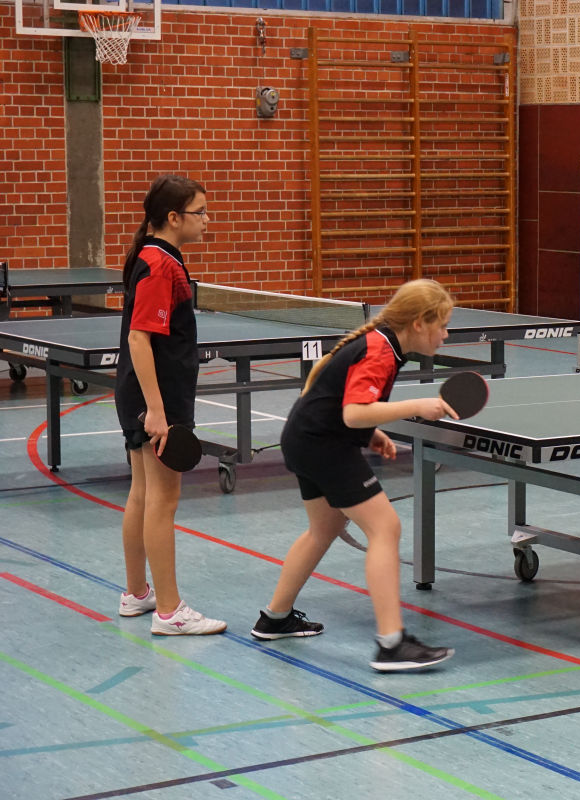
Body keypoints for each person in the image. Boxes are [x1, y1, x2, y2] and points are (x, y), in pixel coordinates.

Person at [251, 279, 458, 672]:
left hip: (303, 438)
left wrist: (371, 433)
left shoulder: (383, 344)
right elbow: (353, 412)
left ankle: (275, 618)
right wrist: (415, 406)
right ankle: (392, 643)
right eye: (442, 325)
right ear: (418, 323)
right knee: (386, 528)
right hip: (322, 445)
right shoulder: (380, 349)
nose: (446, 334)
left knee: (323, 528)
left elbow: (342, 402)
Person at [115, 175, 226, 635]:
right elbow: (139, 338)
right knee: (163, 500)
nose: (207, 219)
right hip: (156, 397)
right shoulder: (160, 265)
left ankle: (137, 593)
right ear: (174, 217)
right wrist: (158, 410)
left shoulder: (152, 255)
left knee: (143, 494)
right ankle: (169, 611)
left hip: (139, 393)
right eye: (200, 212)